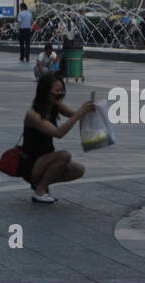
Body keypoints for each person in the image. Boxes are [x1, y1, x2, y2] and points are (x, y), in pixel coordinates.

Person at [20, 74, 95, 203]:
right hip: (31, 163)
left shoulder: (55, 105)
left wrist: (90, 109)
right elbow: (58, 133)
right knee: (64, 156)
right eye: (56, 92)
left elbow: (74, 114)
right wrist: (80, 112)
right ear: (44, 92)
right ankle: (40, 190)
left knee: (78, 170)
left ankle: (40, 183)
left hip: (46, 158)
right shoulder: (33, 115)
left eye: (62, 92)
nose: (60, 95)